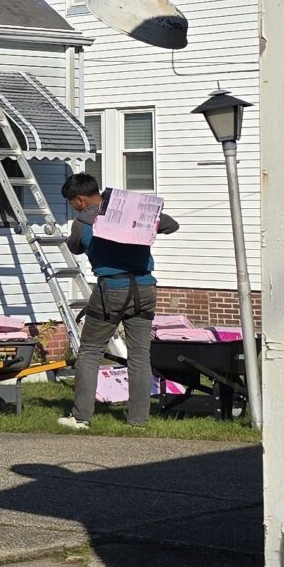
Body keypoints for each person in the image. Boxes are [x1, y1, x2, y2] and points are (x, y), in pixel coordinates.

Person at [58, 171, 180, 430]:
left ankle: (81, 417)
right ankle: (138, 420)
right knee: (139, 355)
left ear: (79, 200)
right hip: (145, 288)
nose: (74, 208)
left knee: (90, 351)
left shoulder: (84, 221)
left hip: (111, 289)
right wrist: (144, 215)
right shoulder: (132, 212)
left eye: (72, 204)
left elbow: (75, 246)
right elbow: (171, 225)